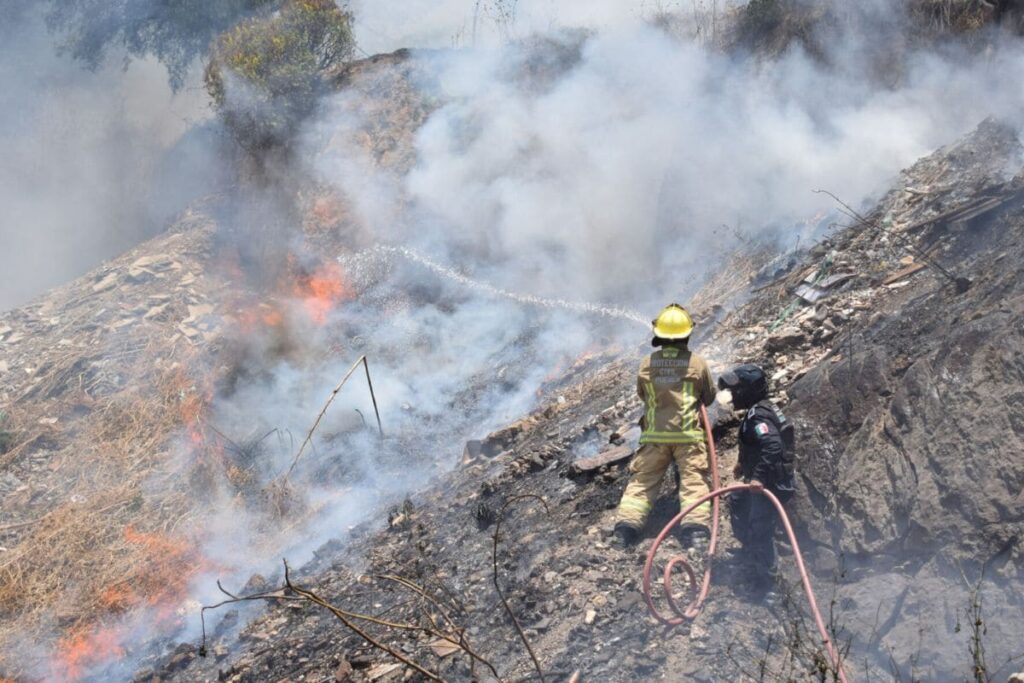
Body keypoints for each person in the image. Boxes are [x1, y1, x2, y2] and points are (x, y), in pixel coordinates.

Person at [614, 303, 716, 548]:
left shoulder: (646, 363)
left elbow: (643, 394)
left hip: (655, 436)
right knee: (693, 480)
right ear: (687, 334)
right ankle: (696, 532)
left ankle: (625, 531)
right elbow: (709, 397)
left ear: (658, 335)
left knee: (642, 482)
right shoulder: (697, 363)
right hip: (688, 436)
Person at [718, 364, 796, 593]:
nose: (732, 395)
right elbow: (756, 443)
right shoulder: (762, 408)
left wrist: (759, 477)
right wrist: (742, 463)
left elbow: (772, 444)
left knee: (761, 528)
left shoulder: (758, 416)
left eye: (736, 390)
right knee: (737, 500)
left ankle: (768, 586)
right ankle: (749, 550)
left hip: (770, 483)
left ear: (747, 391)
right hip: (765, 479)